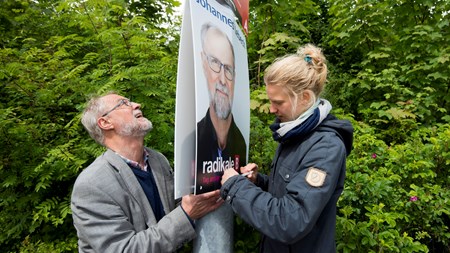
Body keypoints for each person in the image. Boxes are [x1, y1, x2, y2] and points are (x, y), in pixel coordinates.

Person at [220, 44, 354, 252]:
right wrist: (259, 182)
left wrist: (235, 186)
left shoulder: (325, 147)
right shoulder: (295, 135)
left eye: (278, 102)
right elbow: (290, 192)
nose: (272, 109)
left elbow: (291, 220)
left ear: (305, 98)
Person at [71, 92, 223, 252]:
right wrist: (186, 215)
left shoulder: (158, 160)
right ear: (105, 122)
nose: (136, 104)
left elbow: (175, 207)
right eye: (123, 103)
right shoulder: (92, 185)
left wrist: (235, 178)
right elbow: (125, 250)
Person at [196, 22, 247, 194]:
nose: (223, 80)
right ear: (204, 64)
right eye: (215, 63)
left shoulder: (241, 143)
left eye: (229, 69)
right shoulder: (192, 142)